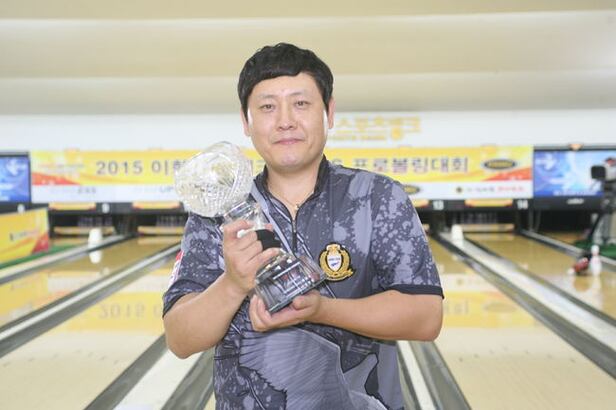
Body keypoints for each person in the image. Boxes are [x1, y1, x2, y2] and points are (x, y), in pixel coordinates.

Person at [163, 42, 443, 409]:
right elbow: (180, 340)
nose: (285, 121)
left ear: (329, 112)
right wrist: (232, 284)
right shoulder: (216, 215)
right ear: (246, 121)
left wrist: (321, 309)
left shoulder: (378, 197)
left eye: (300, 103)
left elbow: (426, 318)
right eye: (267, 107)